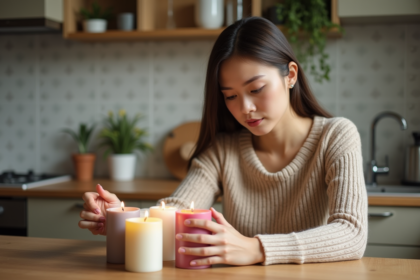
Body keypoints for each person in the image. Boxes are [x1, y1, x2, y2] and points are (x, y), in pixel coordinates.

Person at [79, 17, 367, 266]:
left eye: (256, 89)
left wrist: (255, 248)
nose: (245, 108)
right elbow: (177, 210)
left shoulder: (336, 136)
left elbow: (351, 233)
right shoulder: (224, 150)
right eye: (230, 96)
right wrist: (123, 218)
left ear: (290, 75)